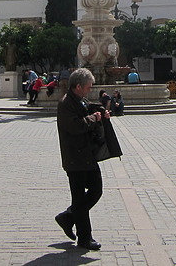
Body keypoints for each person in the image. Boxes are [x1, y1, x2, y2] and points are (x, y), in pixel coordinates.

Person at [54, 68, 109, 251]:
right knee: (79, 199)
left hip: (87, 156)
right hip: (75, 159)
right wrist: (94, 118)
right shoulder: (65, 104)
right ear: (78, 86)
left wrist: (101, 112)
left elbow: (90, 107)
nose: (89, 90)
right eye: (87, 87)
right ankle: (84, 238)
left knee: (96, 191)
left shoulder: (79, 100)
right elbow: (76, 126)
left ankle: (68, 217)